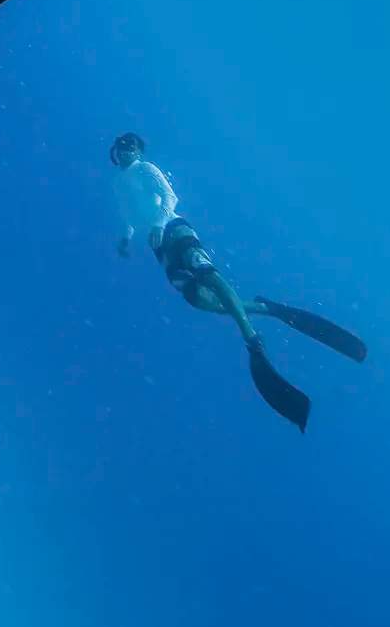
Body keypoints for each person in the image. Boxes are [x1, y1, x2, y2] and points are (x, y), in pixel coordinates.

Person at [109, 132, 366, 432]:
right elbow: (128, 213)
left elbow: (170, 197)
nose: (126, 151)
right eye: (121, 147)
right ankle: (265, 308)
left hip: (174, 228)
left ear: (139, 150)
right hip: (159, 248)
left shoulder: (146, 169)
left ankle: (251, 339)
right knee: (199, 299)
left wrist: (157, 223)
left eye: (131, 146)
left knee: (209, 276)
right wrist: (126, 238)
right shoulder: (118, 184)